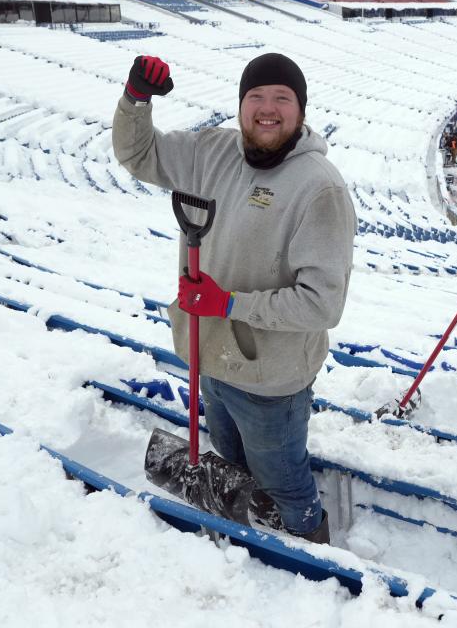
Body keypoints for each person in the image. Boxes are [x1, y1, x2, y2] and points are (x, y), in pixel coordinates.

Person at [113, 53, 356, 543]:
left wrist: (229, 304)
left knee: (284, 484)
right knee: (230, 464)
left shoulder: (320, 189)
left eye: (282, 98)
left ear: (301, 110)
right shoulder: (212, 152)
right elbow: (139, 156)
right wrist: (136, 98)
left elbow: (321, 304)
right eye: (256, 97)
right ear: (241, 106)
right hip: (211, 359)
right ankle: (250, 531)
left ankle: (311, 546)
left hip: (271, 381)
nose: (268, 109)